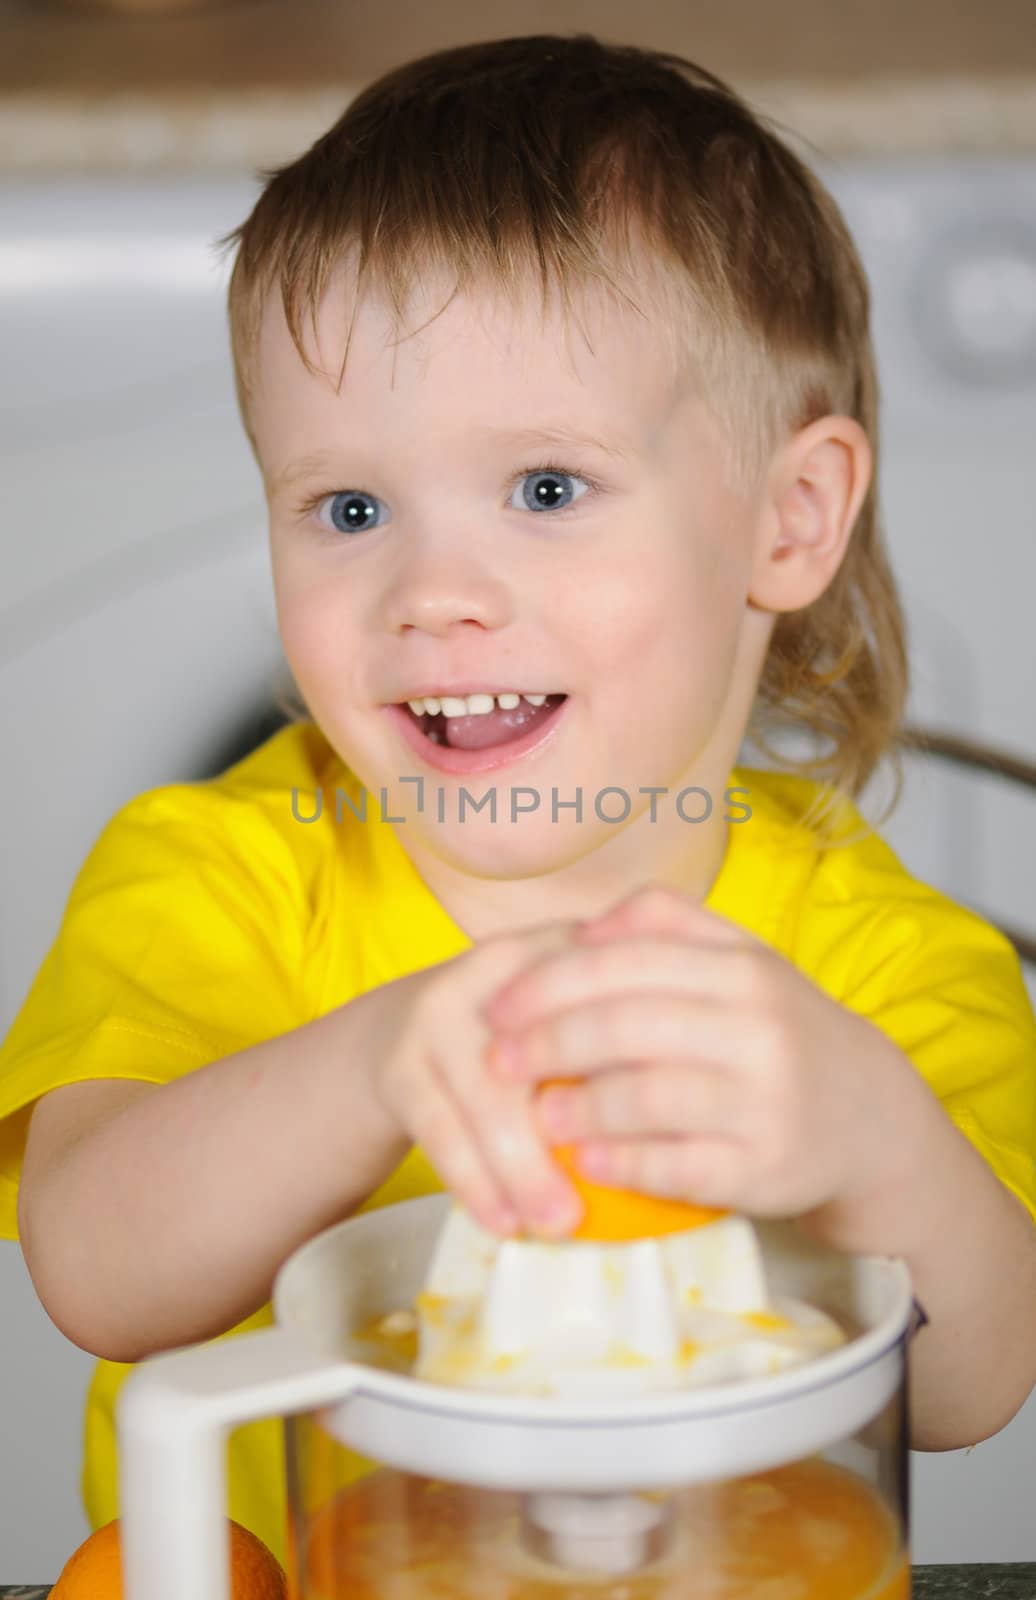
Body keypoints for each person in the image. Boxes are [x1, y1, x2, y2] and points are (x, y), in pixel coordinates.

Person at [2, 33, 1035, 1572]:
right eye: (349, 508)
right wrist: (372, 1070)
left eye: (547, 489)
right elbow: (94, 1268)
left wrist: (871, 1140)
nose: (431, 594)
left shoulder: (881, 969)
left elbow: (972, 1389)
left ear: (788, 517)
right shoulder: (213, 874)